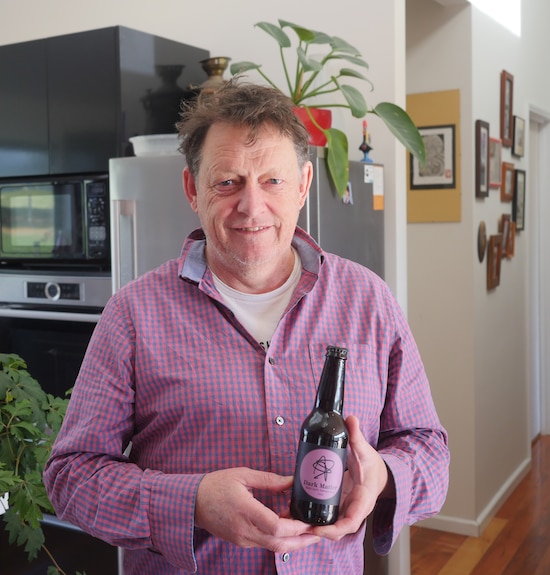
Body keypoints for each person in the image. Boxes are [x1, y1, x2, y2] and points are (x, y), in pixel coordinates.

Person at [43, 80, 450, 574]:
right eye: (228, 182)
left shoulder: (369, 300)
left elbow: (428, 451)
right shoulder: (132, 314)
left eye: (272, 181)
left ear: (302, 184)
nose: (252, 206)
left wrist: (382, 476)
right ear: (193, 189)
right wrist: (190, 501)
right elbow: (70, 476)